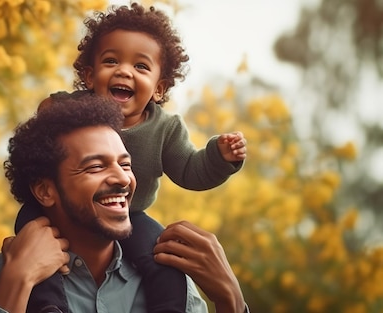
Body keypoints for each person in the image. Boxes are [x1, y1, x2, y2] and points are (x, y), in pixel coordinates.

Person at [13, 3, 247, 313]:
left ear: (159, 88)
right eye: (111, 61)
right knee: (35, 240)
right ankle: (48, 305)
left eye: (141, 66)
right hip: (59, 211)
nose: (124, 70)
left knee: (164, 257)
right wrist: (47, 113)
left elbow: (192, 170)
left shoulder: (165, 128)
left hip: (132, 216)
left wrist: (219, 156)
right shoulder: (71, 109)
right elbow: (39, 140)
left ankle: (172, 307)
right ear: (90, 75)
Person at [0, 92, 248, 313]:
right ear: (45, 191)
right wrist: (16, 284)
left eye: (125, 165)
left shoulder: (173, 290)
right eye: (96, 167)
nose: (122, 179)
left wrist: (230, 298)